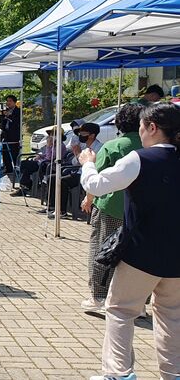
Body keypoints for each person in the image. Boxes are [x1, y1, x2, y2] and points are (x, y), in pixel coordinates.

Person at [79, 103, 180, 380]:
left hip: (141, 251)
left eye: (142, 127)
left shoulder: (140, 159)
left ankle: (118, 373)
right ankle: (174, 373)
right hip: (177, 257)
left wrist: (87, 163)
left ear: (152, 128)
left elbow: (97, 185)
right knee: (172, 316)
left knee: (121, 311)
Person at [79, 104, 144, 314]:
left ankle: (99, 297)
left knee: (102, 250)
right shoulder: (150, 147)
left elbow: (97, 180)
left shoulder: (113, 146)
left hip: (111, 207)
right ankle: (138, 301)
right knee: (135, 255)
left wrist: (88, 200)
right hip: (142, 211)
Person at [42, 122, 102, 217]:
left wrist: (78, 154)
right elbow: (75, 162)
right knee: (52, 178)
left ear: (92, 135)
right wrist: (77, 154)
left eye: (83, 134)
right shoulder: (85, 146)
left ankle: (62, 211)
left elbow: (90, 163)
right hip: (78, 171)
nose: (80, 136)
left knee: (62, 181)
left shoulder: (98, 148)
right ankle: (52, 207)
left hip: (87, 175)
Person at [12, 126, 64, 196]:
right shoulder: (53, 144)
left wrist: (48, 146)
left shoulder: (60, 146)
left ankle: (26, 186)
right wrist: (40, 156)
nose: (51, 136)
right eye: (51, 134)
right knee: (24, 164)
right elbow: (45, 154)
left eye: (53, 134)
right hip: (42, 162)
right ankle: (26, 185)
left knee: (28, 166)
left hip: (49, 165)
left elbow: (49, 158)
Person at [0, 95, 21, 175]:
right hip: (5, 134)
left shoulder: (18, 111)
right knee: (5, 152)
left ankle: (16, 167)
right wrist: (3, 116)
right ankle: (8, 168)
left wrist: (9, 116)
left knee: (14, 152)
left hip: (14, 135)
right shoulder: (4, 111)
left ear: (14, 102)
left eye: (10, 101)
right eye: (7, 101)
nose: (8, 103)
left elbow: (17, 121)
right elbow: (1, 122)